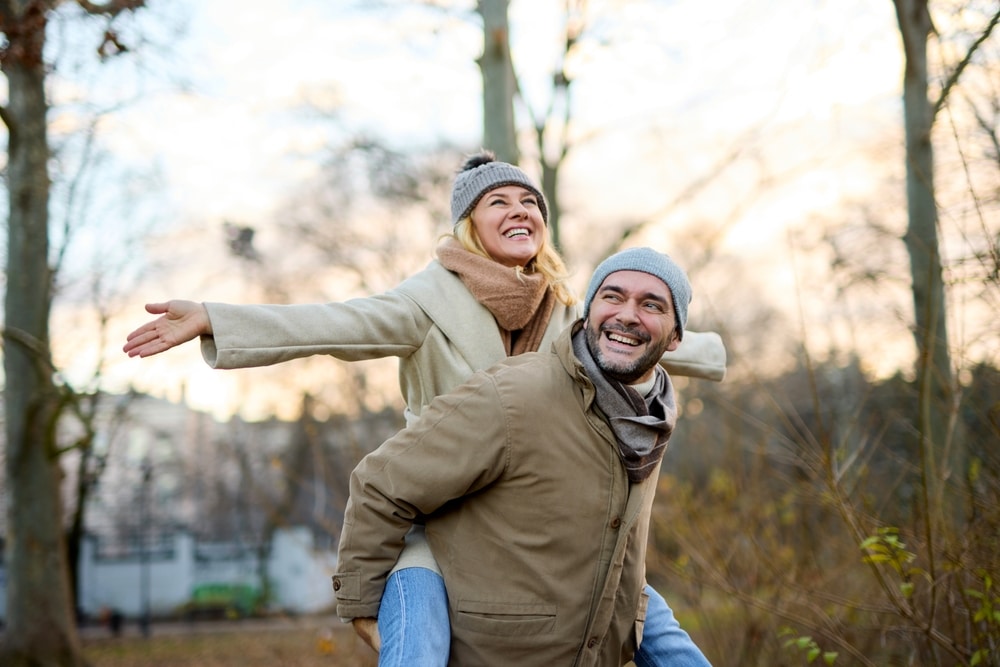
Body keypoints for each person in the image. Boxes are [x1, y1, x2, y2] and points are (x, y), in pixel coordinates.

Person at [123, 152, 721, 665]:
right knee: (417, 652)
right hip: (437, 523)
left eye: (529, 202)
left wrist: (714, 349)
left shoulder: (568, 310)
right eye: (498, 202)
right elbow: (337, 322)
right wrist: (218, 318)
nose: (519, 211)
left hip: (526, 529)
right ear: (467, 225)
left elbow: (636, 334)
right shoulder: (426, 303)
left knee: (649, 622)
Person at [333, 247, 708, 665]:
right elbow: (381, 482)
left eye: (651, 304)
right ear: (588, 312)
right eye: (612, 296)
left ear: (675, 336)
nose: (627, 314)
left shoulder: (653, 417)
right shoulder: (513, 395)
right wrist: (362, 611)